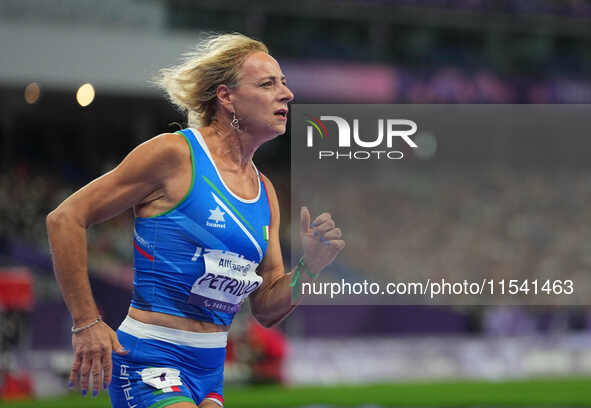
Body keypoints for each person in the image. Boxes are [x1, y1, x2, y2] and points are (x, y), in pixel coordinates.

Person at [46, 33, 345, 408]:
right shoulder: (174, 155)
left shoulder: (265, 192)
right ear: (226, 97)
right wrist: (87, 321)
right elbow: (65, 218)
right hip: (150, 358)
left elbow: (267, 308)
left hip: (209, 369)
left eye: (284, 83)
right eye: (268, 84)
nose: (286, 94)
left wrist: (309, 269)